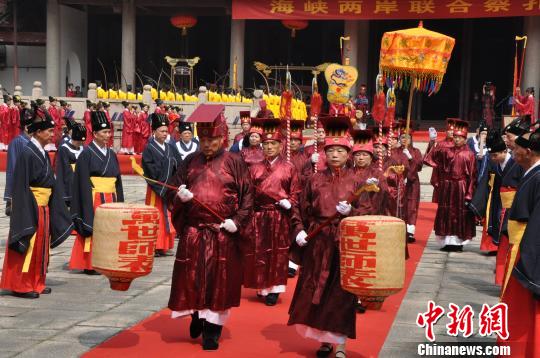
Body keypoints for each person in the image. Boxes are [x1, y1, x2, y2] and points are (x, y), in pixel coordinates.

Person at [165, 104, 254, 351]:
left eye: (212, 139)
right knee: (192, 280)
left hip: (222, 233)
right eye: (203, 139)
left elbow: (248, 196)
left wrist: (236, 221)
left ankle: (212, 330)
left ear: (222, 137)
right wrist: (179, 198)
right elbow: (172, 191)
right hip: (194, 233)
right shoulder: (189, 162)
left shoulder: (235, 162)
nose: (207, 144)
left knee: (219, 282)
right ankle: (196, 315)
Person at [288, 115, 373, 358]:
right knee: (317, 293)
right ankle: (324, 341)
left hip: (343, 244)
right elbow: (299, 208)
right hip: (317, 242)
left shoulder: (358, 181)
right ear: (325, 153)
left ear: (349, 153)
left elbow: (368, 212)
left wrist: (352, 212)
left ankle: (341, 344)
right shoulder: (314, 179)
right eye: (331, 150)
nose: (335, 155)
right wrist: (299, 230)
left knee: (340, 295)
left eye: (340, 150)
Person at [0, 106, 73, 298]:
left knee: (41, 245)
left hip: (43, 206)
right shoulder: (27, 152)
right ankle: (21, 285)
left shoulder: (40, 151)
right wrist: (23, 208)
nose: (52, 134)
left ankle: (37, 281)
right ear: (38, 132)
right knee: (29, 243)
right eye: (49, 131)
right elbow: (20, 183)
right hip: (31, 204)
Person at [242, 118, 301, 306]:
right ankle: (262, 285)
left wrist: (289, 203)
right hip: (259, 215)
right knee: (259, 251)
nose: (268, 147)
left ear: (280, 145)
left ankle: (275, 288)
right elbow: (247, 192)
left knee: (278, 252)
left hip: (279, 215)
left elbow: (296, 192)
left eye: (272, 144)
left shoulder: (289, 167)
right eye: (265, 144)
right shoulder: (254, 167)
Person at [498, 128, 540, 357]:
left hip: (528, 252)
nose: (514, 152)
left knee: (523, 314)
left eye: (518, 149)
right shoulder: (532, 172)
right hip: (519, 246)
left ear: (530, 151)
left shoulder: (539, 176)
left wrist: (530, 266)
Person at [69, 110, 124, 274]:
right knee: (95, 229)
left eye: (109, 132)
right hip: (94, 198)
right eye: (104, 132)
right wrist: (85, 205)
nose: (108, 135)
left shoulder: (111, 154)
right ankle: (90, 263)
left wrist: (120, 200)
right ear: (94, 133)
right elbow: (82, 182)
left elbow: (118, 181)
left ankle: (107, 260)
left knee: (110, 230)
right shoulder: (86, 154)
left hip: (111, 196)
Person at [470, 130, 523, 282]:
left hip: (513, 207)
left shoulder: (516, 164)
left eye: (495, 155)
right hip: (498, 202)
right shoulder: (496, 165)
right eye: (491, 156)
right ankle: (500, 278)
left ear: (504, 151)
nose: (493, 158)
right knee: (500, 241)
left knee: (509, 243)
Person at [424, 119, 477, 252]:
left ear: (465, 139)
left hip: (461, 187)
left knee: (460, 214)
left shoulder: (469, 154)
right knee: (446, 212)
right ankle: (447, 241)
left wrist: (469, 193)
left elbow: (472, 176)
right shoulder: (446, 151)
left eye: (460, 137)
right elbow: (429, 158)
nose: (457, 140)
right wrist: (432, 142)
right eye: (456, 137)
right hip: (447, 187)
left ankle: (458, 243)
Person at [142, 113, 180, 257]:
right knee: (156, 216)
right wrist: (162, 183)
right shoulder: (149, 148)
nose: (165, 134)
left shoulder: (170, 148)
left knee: (167, 215)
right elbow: (149, 170)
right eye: (162, 131)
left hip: (168, 188)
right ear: (154, 132)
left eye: (166, 131)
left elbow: (178, 166)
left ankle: (164, 245)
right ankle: (154, 245)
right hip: (155, 188)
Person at [3, 102, 32, 216]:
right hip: (20, 186)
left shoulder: (32, 142)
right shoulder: (17, 142)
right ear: (25, 127)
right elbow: (13, 168)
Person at [399, 132, 423, 242]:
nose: (404, 139)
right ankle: (400, 229)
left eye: (407, 137)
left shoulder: (416, 151)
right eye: (402, 137)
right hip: (399, 182)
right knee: (400, 205)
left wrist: (410, 158)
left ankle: (410, 232)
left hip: (412, 183)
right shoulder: (395, 151)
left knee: (411, 206)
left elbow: (419, 166)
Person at [54, 122, 86, 206]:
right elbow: (63, 170)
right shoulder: (64, 148)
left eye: (81, 141)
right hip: (69, 180)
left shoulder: (83, 148)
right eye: (78, 141)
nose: (80, 143)